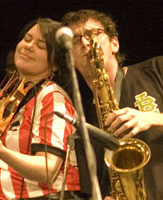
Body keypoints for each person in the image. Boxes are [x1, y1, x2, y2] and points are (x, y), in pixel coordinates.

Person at [0, 18, 82, 200]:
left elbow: (48, 169)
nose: (28, 46)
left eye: (40, 45)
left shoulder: (52, 98)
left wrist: (2, 151)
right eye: (27, 39)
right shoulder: (5, 99)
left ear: (55, 63)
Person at [62, 9, 163, 200]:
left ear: (114, 43)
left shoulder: (157, 69)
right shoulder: (81, 122)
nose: (85, 42)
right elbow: (93, 190)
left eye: (93, 34)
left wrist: (153, 118)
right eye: (76, 40)